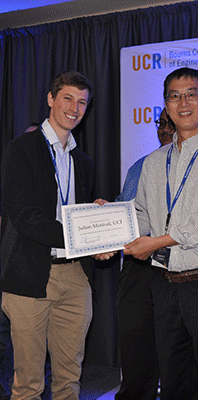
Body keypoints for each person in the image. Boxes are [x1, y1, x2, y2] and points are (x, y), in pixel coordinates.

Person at [124, 67, 198, 400]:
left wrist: (157, 242)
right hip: (164, 287)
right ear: (166, 105)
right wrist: (111, 227)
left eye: (191, 94)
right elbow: (142, 215)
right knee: (174, 383)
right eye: (174, 96)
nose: (183, 102)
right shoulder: (153, 161)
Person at [0, 71, 98, 400]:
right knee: (28, 382)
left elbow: (80, 217)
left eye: (82, 102)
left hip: (74, 276)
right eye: (68, 98)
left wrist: (98, 223)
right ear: (51, 99)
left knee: (70, 377)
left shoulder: (83, 162)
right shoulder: (21, 149)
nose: (75, 108)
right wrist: (82, 236)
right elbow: (26, 218)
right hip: (30, 275)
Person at [114, 108, 175, 400]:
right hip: (139, 268)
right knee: (137, 352)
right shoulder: (140, 167)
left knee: (180, 356)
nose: (164, 129)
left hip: (180, 269)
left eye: (170, 123)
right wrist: (106, 217)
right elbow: (123, 214)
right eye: (160, 123)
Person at [0, 122, 53, 400]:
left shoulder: (73, 166)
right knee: (18, 364)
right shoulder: (14, 165)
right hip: (17, 271)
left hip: (48, 271)